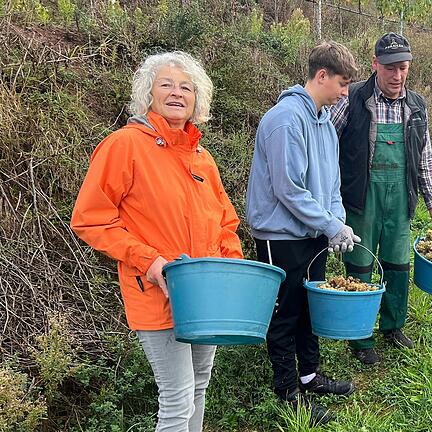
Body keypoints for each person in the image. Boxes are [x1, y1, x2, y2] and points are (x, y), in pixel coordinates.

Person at [70, 51, 243, 432]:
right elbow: (90, 218)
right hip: (155, 291)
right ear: (148, 94)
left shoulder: (202, 158)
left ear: (197, 100)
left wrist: (231, 268)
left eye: (186, 87)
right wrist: (149, 261)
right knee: (177, 394)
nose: (177, 92)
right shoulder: (124, 146)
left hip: (205, 297)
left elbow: (226, 222)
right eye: (166, 84)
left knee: (199, 385)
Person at [245, 41, 359, 426]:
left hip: (313, 233)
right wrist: (328, 224)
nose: (345, 93)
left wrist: (337, 223)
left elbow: (331, 184)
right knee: (286, 310)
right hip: (282, 235)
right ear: (321, 76)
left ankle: (310, 375)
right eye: (342, 84)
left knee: (311, 304)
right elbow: (288, 188)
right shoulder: (284, 119)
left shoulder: (325, 121)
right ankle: (288, 389)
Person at [330, 32, 432, 366]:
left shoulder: (416, 106)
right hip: (361, 198)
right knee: (361, 264)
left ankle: (393, 326)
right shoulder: (351, 99)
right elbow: (327, 148)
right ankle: (360, 335)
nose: (397, 76)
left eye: (403, 68)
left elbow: (423, 158)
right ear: (375, 65)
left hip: (401, 197)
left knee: (397, 264)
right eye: (390, 68)